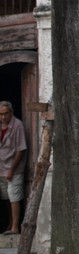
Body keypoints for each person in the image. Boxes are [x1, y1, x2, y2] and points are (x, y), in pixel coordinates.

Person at [0, 101, 26, 235]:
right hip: (1, 168)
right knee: (6, 199)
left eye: (5, 114)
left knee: (14, 198)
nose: (3, 117)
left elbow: (20, 150)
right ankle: (9, 224)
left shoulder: (17, 126)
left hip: (13, 169)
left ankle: (15, 227)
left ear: (11, 113)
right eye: (1, 114)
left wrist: (11, 169)